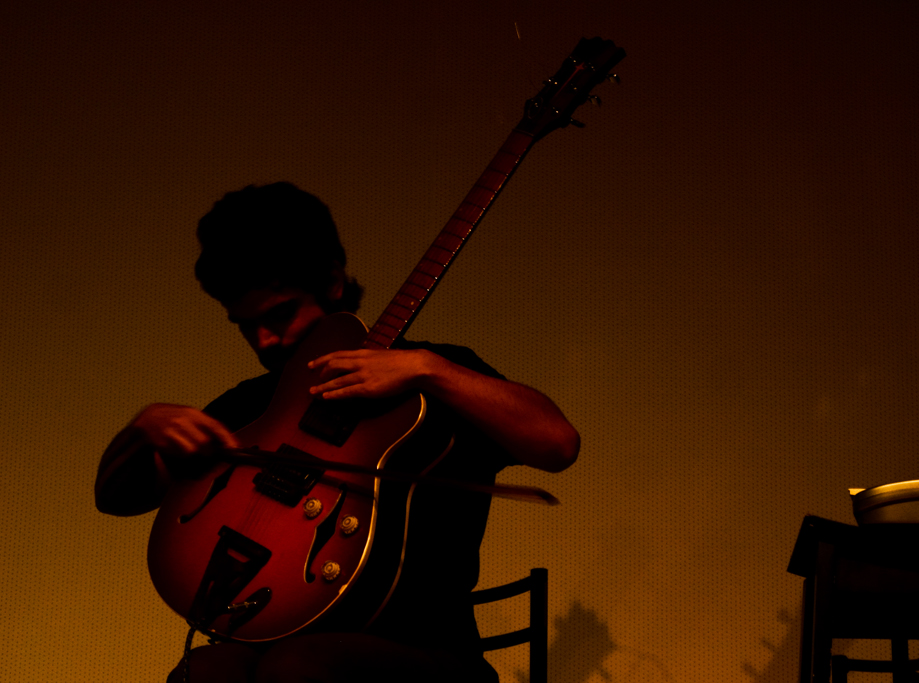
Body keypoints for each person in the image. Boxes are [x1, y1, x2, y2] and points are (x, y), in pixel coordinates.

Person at [94, 182, 580, 683]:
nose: (264, 340)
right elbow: (121, 497)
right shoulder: (252, 403)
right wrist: (143, 427)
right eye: (245, 325)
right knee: (205, 671)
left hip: (428, 656)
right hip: (270, 648)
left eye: (280, 314)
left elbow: (557, 443)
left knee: (301, 668)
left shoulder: (434, 382)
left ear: (331, 282)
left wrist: (428, 369)